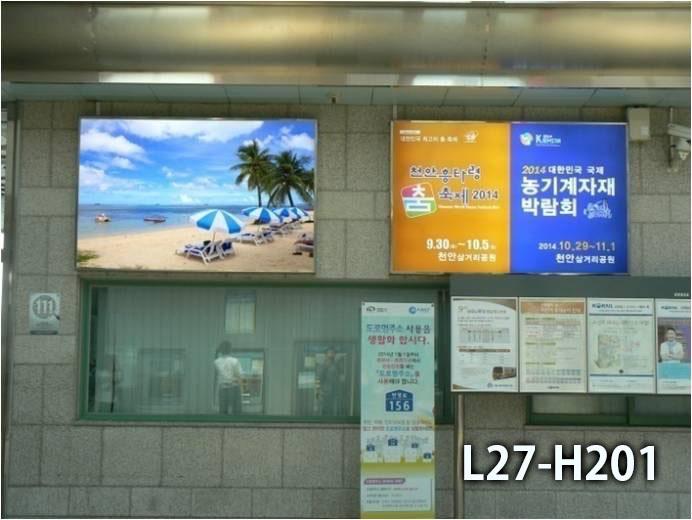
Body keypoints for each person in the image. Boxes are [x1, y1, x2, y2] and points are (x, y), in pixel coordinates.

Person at [213, 341, 243, 415]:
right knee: (236, 411)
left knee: (223, 410)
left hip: (222, 388)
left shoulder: (216, 362)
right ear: (230, 350)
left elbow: (219, 376)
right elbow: (239, 376)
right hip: (234, 387)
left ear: (220, 350)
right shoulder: (235, 361)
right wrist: (241, 389)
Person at [317, 348, 342, 416]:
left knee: (334, 412)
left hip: (334, 393)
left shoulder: (337, 366)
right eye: (330, 353)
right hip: (324, 393)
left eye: (333, 353)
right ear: (326, 355)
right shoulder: (322, 366)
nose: (332, 355)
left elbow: (339, 379)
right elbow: (318, 380)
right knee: (323, 411)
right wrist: (318, 394)